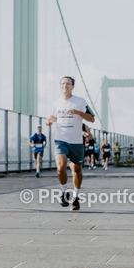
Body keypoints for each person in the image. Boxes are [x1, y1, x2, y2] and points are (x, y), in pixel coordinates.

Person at [45, 76, 95, 211]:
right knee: (61, 166)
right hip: (60, 139)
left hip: (76, 141)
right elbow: (54, 117)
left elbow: (92, 119)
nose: (65, 85)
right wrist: (49, 121)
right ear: (60, 86)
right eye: (62, 83)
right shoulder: (57, 103)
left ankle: (76, 197)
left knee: (77, 170)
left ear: (72, 86)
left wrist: (77, 112)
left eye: (68, 83)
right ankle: (63, 191)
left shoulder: (80, 101)